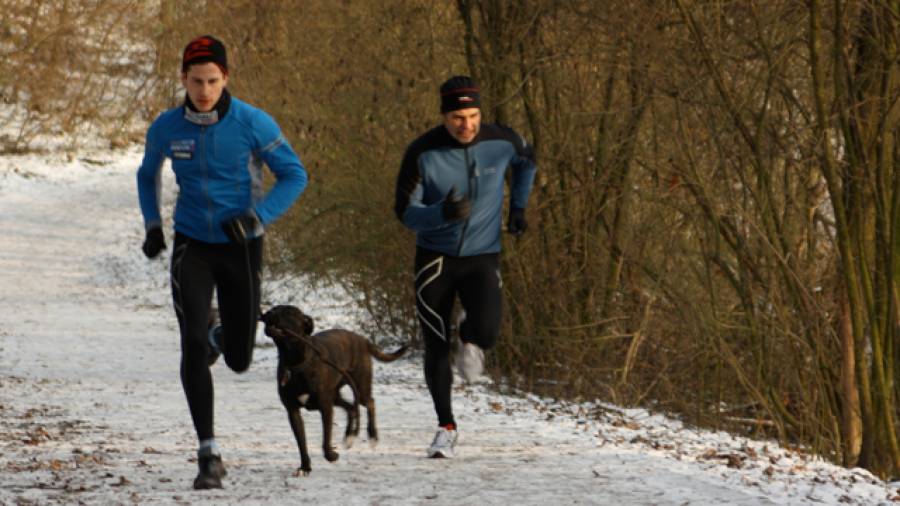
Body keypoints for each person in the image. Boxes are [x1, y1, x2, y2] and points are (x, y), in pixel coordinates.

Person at [136, 35, 307, 489]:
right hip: (192, 244)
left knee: (238, 359)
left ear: (226, 77)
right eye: (196, 81)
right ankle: (208, 454)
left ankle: (220, 334)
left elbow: (295, 175)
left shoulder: (253, 123)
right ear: (183, 80)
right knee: (190, 343)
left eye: (213, 80)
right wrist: (154, 225)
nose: (205, 90)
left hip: (241, 247)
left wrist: (257, 218)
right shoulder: (168, 127)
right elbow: (146, 173)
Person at [393, 75, 537, 459]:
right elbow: (404, 212)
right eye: (457, 117)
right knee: (435, 345)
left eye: (472, 115)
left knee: (487, 331)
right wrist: (441, 213)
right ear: (444, 116)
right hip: (435, 260)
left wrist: (519, 206)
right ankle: (446, 428)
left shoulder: (501, 141)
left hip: (482, 255)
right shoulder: (421, 153)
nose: (466, 125)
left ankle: (469, 336)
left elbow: (528, 160)